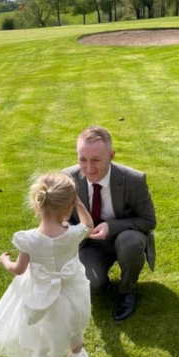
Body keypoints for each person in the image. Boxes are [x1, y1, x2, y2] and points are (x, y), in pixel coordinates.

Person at [0, 172, 94, 357]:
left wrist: (5, 261)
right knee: (74, 322)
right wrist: (79, 205)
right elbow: (89, 225)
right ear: (69, 207)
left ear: (36, 204)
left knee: (42, 331)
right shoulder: (73, 233)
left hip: (42, 295)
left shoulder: (28, 239)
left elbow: (19, 269)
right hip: (72, 290)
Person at [64, 126, 156, 322]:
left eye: (96, 160)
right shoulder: (67, 178)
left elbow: (148, 221)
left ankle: (127, 290)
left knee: (130, 241)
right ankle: (101, 282)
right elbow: (60, 221)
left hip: (125, 237)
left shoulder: (134, 180)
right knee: (90, 285)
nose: (89, 169)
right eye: (82, 159)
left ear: (111, 155)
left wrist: (111, 227)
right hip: (90, 243)